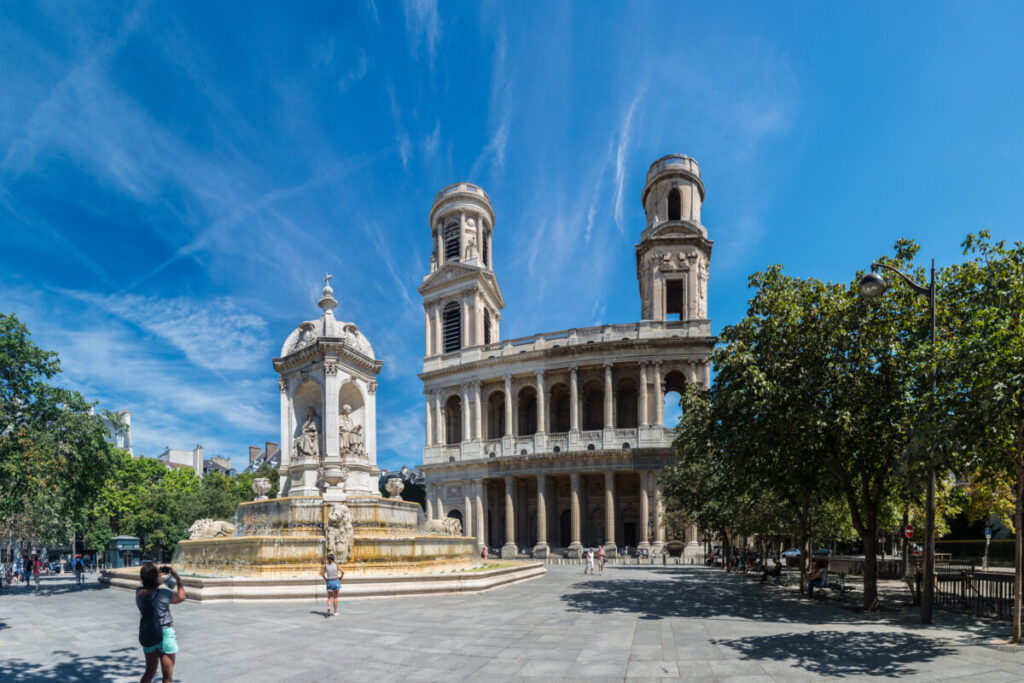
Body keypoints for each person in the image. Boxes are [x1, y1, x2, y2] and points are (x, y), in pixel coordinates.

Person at [137, 563, 186, 683]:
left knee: (149, 672)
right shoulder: (163, 593)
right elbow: (181, 597)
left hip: (148, 633)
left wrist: (156, 575)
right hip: (165, 634)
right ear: (155, 577)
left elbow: (149, 586)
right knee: (167, 675)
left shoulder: (138, 593)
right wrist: (177, 579)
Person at [320, 553, 343, 617]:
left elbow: (322, 574)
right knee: (335, 597)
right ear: (333, 559)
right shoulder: (336, 565)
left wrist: (326, 579)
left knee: (330, 597)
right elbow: (343, 571)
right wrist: (341, 577)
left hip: (329, 582)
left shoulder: (326, 566)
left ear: (328, 559)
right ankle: (335, 612)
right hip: (336, 581)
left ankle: (329, 607)